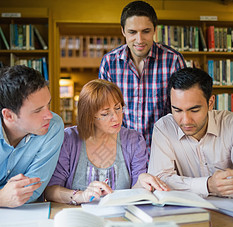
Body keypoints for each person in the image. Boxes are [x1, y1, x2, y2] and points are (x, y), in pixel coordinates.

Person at [45, 79, 168, 204]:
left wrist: (141, 182)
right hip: (78, 216)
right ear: (89, 116)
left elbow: (136, 192)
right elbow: (51, 190)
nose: (116, 117)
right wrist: (81, 196)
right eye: (105, 114)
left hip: (120, 217)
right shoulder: (69, 139)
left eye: (118, 108)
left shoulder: (134, 141)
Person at [99, 0, 186, 153]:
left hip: (165, 150)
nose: (139, 40)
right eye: (132, 32)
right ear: (123, 31)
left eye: (146, 31)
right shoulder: (109, 63)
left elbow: (182, 109)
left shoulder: (173, 61)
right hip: (122, 151)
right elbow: (104, 112)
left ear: (154, 30)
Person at [148, 67, 233, 198]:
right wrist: (208, 185)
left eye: (194, 110)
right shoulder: (164, 128)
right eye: (177, 110)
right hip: (185, 213)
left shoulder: (229, 124)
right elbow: (160, 179)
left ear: (210, 103)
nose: (186, 120)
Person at [0, 65, 64, 208]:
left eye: (48, 104)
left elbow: (33, 190)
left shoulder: (53, 126)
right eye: (38, 110)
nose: (49, 115)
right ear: (9, 115)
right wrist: (1, 198)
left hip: (28, 218)